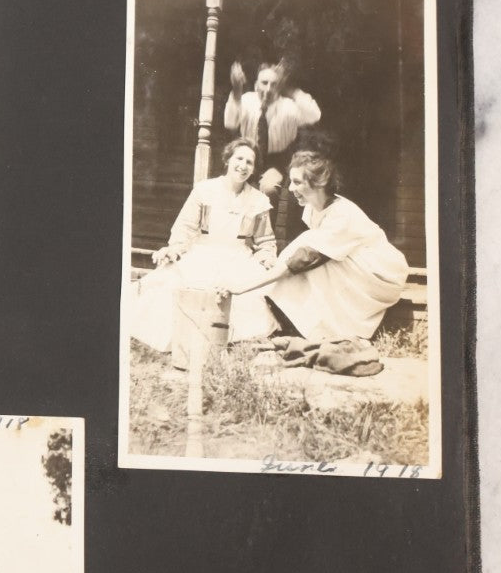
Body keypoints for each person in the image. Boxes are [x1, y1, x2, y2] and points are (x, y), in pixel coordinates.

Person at [220, 150, 409, 340]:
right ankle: (306, 323)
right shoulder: (311, 208)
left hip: (382, 275)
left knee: (308, 254)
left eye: (297, 182)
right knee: (310, 256)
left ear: (319, 183)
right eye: (291, 182)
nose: (291, 189)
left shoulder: (342, 214)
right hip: (353, 266)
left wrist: (243, 287)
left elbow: (299, 261)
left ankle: (334, 329)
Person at [125, 137, 278, 355]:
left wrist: (267, 259)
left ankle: (223, 342)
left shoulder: (258, 200)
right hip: (203, 253)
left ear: (253, 169)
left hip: (238, 259)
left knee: (241, 297)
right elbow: (185, 229)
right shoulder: (205, 190)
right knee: (176, 288)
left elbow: (265, 241)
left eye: (249, 162)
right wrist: (174, 249)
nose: (243, 166)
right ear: (227, 160)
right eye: (239, 158)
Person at [223, 58, 321, 247]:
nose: (268, 89)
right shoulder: (246, 100)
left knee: (268, 188)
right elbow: (230, 122)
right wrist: (236, 90)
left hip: (276, 159)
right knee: (236, 189)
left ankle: (264, 242)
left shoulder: (288, 107)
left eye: (274, 84)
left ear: (280, 87)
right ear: (255, 84)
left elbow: (314, 114)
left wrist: (291, 91)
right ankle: (235, 241)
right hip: (249, 155)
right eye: (264, 83)